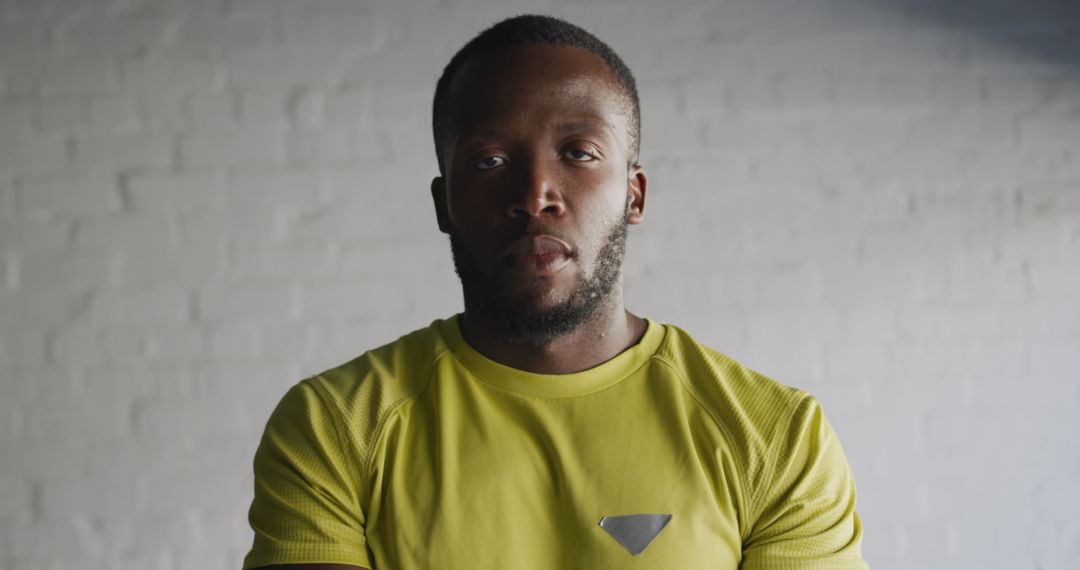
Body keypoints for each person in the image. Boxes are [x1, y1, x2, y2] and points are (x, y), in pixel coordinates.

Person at [243, 14, 868, 570]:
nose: (535, 192)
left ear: (634, 194)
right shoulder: (334, 426)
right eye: (488, 160)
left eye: (578, 151)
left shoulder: (778, 437)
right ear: (444, 204)